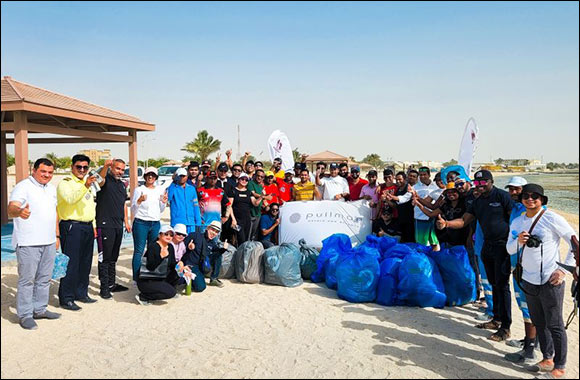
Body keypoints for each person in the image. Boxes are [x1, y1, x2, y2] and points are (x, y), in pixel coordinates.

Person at [507, 184, 577, 379]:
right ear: (521, 199)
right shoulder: (518, 222)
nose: (530, 199)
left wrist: (562, 270)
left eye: (535, 196)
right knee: (539, 321)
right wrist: (518, 241)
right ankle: (547, 359)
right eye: (526, 196)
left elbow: (575, 243)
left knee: (555, 324)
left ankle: (559, 367)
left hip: (550, 279)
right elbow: (509, 249)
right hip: (528, 279)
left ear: (542, 199)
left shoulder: (552, 218)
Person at [437, 170, 514, 342]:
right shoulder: (477, 202)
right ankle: (496, 319)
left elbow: (514, 220)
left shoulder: (502, 196)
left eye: (483, 182)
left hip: (503, 246)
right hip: (488, 246)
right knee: (494, 284)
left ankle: (506, 327)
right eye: (477, 183)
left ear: (491, 181)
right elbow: (464, 221)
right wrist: (447, 223)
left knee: (503, 286)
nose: (480, 186)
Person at [8, 158, 61, 329]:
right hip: (28, 242)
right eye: (43, 171)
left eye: (50, 172)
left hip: (49, 241)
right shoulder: (23, 186)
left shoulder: (52, 189)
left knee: (44, 279)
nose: (47, 175)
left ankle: (40, 309)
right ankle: (25, 315)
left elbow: (54, 213)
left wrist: (57, 236)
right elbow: (11, 208)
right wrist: (20, 211)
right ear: (34, 170)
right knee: (27, 280)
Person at [502, 176, 540, 365]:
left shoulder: (540, 214)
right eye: (511, 189)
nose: (513, 193)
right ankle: (531, 342)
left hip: (532, 270)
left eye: (517, 190)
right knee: (526, 306)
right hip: (516, 265)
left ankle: (530, 349)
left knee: (529, 307)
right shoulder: (517, 211)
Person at [56, 154, 99, 311]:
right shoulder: (66, 183)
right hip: (71, 226)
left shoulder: (86, 184)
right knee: (71, 263)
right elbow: (70, 199)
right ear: (72, 167)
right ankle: (66, 297)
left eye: (85, 167)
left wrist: (93, 226)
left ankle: (81, 293)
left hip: (87, 226)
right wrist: (85, 186)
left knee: (85, 262)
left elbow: (90, 207)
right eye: (79, 167)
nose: (82, 170)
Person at [95, 159, 132, 299]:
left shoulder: (122, 185)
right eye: (117, 168)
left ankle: (112, 284)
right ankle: (104, 288)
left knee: (113, 257)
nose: (120, 172)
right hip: (105, 225)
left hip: (118, 225)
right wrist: (105, 166)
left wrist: (126, 221)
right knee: (104, 257)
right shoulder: (105, 181)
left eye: (122, 169)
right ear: (112, 168)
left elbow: (123, 204)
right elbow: (99, 180)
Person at [131, 167, 168, 281]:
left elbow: (161, 209)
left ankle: (150, 274)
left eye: (153, 175)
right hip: (141, 223)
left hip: (155, 223)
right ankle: (136, 278)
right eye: (148, 175)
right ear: (145, 176)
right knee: (139, 251)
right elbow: (133, 209)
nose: (150, 177)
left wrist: (164, 202)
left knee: (153, 250)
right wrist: (139, 201)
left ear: (156, 177)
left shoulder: (160, 190)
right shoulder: (139, 190)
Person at [135, 225, 184, 305]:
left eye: (171, 235)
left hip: (160, 276)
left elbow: (172, 264)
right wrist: (160, 257)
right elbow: (150, 267)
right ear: (159, 235)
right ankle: (143, 296)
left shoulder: (170, 246)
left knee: (178, 272)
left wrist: (181, 264)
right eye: (166, 234)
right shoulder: (153, 247)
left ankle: (169, 289)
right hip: (148, 279)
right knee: (171, 293)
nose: (169, 237)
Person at [413, 182, 468, 247]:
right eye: (449, 193)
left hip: (464, 238)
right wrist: (419, 205)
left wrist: (446, 223)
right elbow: (431, 214)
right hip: (450, 238)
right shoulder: (446, 205)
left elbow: (465, 221)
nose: (451, 194)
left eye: (453, 192)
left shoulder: (466, 203)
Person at [398, 167, 440, 250]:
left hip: (435, 218)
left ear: (429, 175)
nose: (422, 177)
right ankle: (422, 260)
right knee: (421, 244)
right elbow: (405, 198)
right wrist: (394, 197)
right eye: (420, 175)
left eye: (424, 174)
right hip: (421, 218)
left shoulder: (436, 186)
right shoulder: (415, 187)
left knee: (435, 242)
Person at [181, 221, 230, 291]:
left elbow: (216, 251)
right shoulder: (195, 235)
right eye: (212, 230)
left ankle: (213, 278)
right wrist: (188, 247)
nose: (214, 233)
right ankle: (185, 279)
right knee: (201, 287)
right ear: (207, 228)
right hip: (191, 265)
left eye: (216, 232)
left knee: (218, 254)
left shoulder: (212, 243)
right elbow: (180, 247)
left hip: (202, 265)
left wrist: (224, 249)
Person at [167, 167, 202, 234]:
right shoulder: (173, 187)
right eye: (180, 176)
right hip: (177, 222)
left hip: (191, 223)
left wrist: (198, 222)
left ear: (187, 176)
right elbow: (168, 198)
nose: (182, 178)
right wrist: (173, 181)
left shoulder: (191, 189)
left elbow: (195, 205)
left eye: (184, 176)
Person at [231, 173, 262, 244]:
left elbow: (255, 203)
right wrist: (233, 219)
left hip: (247, 219)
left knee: (245, 240)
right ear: (238, 180)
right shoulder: (233, 191)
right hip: (237, 219)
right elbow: (230, 206)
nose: (244, 181)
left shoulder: (249, 192)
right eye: (242, 179)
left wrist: (262, 196)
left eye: (246, 180)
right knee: (239, 239)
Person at [248, 169, 267, 240]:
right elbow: (253, 193)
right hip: (251, 213)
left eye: (262, 177)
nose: (259, 178)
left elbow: (261, 199)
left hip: (258, 213)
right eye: (258, 176)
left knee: (253, 234)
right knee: (248, 234)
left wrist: (265, 205)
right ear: (255, 175)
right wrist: (265, 197)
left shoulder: (261, 186)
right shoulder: (250, 183)